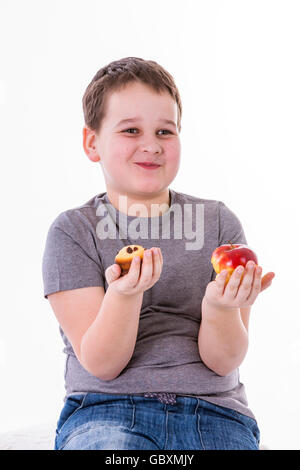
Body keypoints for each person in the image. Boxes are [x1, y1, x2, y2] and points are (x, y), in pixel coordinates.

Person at [42, 57, 275, 450]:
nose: (150, 145)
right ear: (92, 143)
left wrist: (220, 308)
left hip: (216, 413)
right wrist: (124, 296)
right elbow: (102, 364)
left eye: (164, 131)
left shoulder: (218, 223)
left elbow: (225, 361)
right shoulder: (73, 232)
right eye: (131, 130)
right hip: (105, 411)